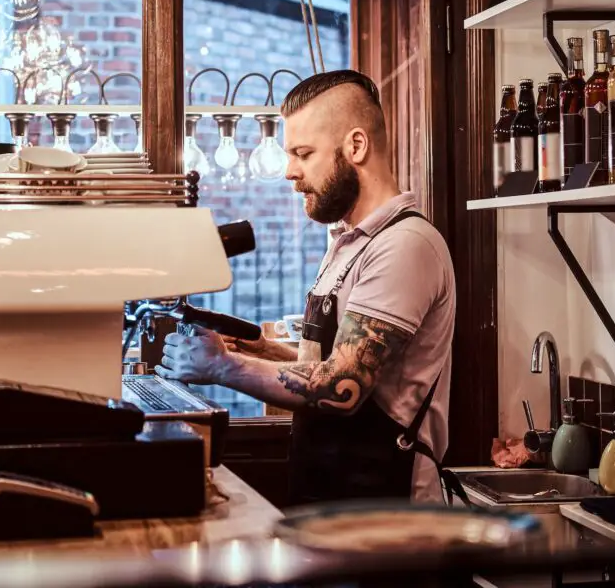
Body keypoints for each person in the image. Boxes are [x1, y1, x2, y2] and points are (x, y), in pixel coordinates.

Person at [157, 70, 458, 506]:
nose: (289, 171)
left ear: (356, 146)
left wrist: (223, 368)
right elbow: (331, 362)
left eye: (303, 153)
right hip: (335, 501)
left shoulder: (404, 246)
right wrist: (259, 349)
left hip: (389, 521)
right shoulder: (350, 241)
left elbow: (342, 388)